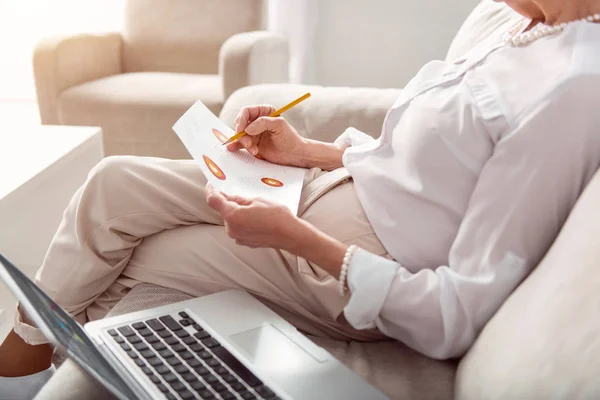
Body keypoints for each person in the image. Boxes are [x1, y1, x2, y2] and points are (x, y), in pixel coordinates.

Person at [2, 0, 600, 398]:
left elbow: (455, 314)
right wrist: (303, 151)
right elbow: (424, 170)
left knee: (133, 262)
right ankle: (25, 355)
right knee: (114, 182)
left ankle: (20, 370)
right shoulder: (517, 24)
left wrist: (296, 239)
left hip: (351, 260)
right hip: (331, 191)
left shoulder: (571, 91)